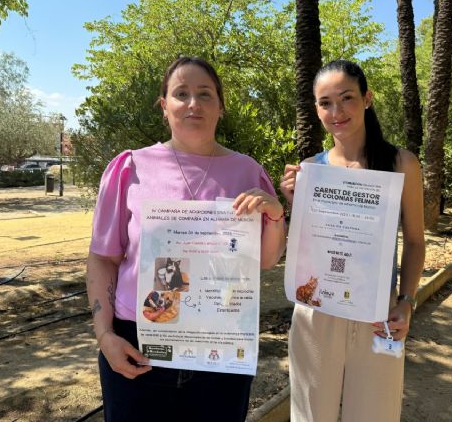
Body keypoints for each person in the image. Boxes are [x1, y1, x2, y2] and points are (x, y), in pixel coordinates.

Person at [86, 56, 287, 421]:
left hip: (221, 346)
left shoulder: (248, 171)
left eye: (205, 94)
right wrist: (105, 336)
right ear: (164, 105)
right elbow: (103, 257)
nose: (194, 103)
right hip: (138, 346)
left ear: (221, 107)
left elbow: (267, 259)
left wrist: (275, 216)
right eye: (181, 93)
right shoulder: (130, 168)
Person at [280, 59, 425, 421]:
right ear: (316, 109)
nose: (336, 111)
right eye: (325, 102)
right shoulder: (310, 170)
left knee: (376, 414)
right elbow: (308, 247)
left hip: (379, 314)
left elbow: (415, 241)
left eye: (346, 98)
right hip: (316, 311)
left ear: (367, 98)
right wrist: (294, 202)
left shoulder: (401, 164)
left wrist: (406, 302)